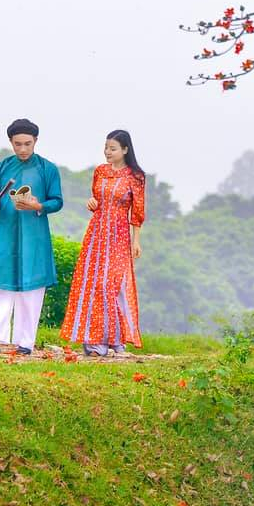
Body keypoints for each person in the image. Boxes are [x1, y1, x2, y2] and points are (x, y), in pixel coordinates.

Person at [0, 118, 62, 355]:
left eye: (27, 144)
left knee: (31, 289)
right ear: (11, 142)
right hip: (6, 233)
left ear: (36, 142)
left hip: (35, 235)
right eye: (18, 144)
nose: (22, 149)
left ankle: (25, 343)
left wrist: (38, 205)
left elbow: (57, 201)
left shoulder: (47, 169)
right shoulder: (2, 167)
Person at [60, 129, 148, 358]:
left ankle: (117, 339)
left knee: (113, 285)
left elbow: (137, 212)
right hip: (97, 233)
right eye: (106, 147)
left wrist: (136, 240)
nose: (108, 152)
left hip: (119, 235)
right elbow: (97, 200)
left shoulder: (135, 176)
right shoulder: (100, 171)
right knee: (94, 284)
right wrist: (92, 203)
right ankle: (95, 340)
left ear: (125, 150)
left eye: (113, 148)